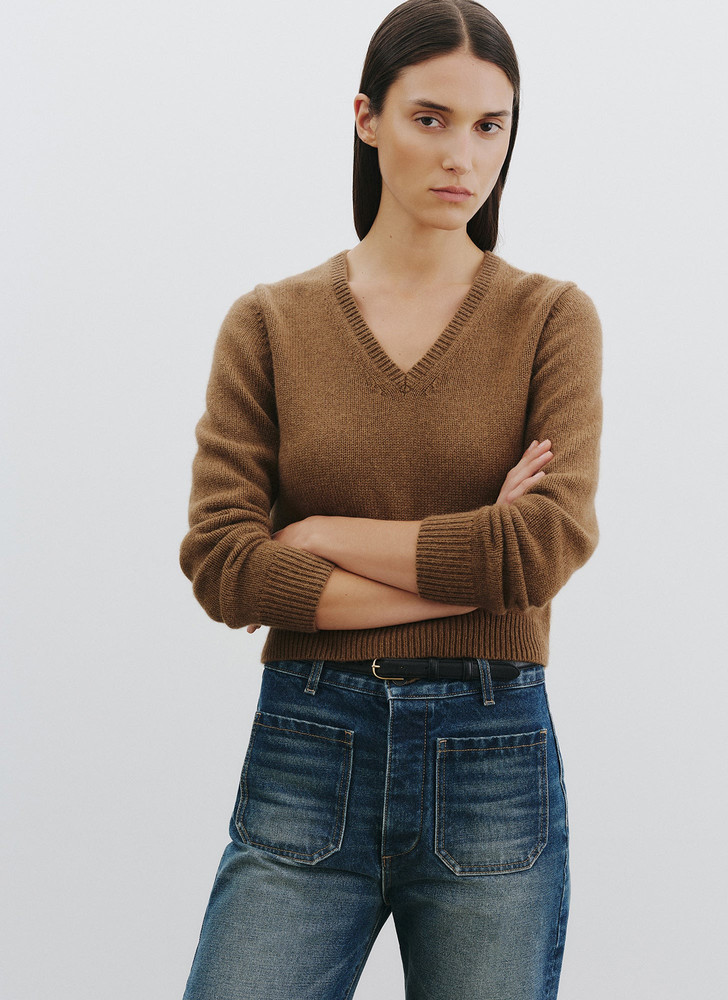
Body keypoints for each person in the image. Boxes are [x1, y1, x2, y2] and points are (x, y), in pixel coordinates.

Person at [178, 1, 603, 997]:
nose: (462, 154)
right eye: (430, 118)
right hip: (308, 744)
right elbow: (227, 566)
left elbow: (542, 546)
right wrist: (474, 573)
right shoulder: (270, 323)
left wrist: (318, 534)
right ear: (367, 118)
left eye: (489, 125)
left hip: (489, 757)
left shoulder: (549, 319)